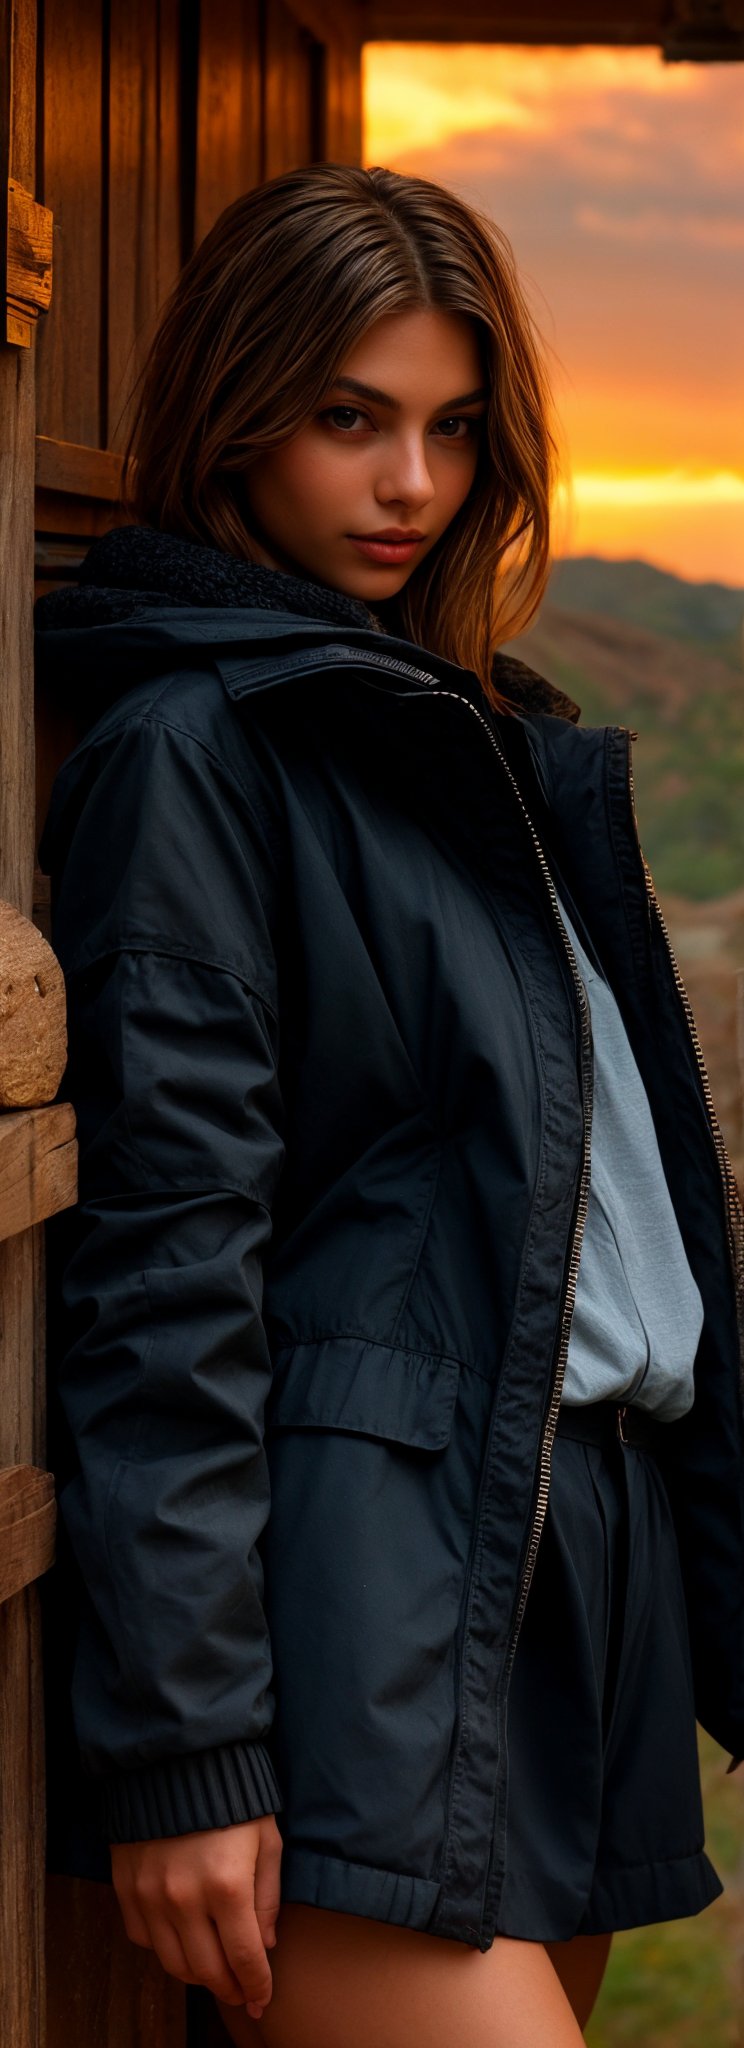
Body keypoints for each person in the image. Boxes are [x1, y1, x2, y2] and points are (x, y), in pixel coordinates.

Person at [35, 163, 744, 2048]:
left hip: (579, 1553)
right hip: (377, 1577)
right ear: (238, 409)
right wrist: (189, 1745)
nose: (409, 486)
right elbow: (169, 1258)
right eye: (351, 419)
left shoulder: (459, 728)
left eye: (448, 428)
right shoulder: (201, 749)